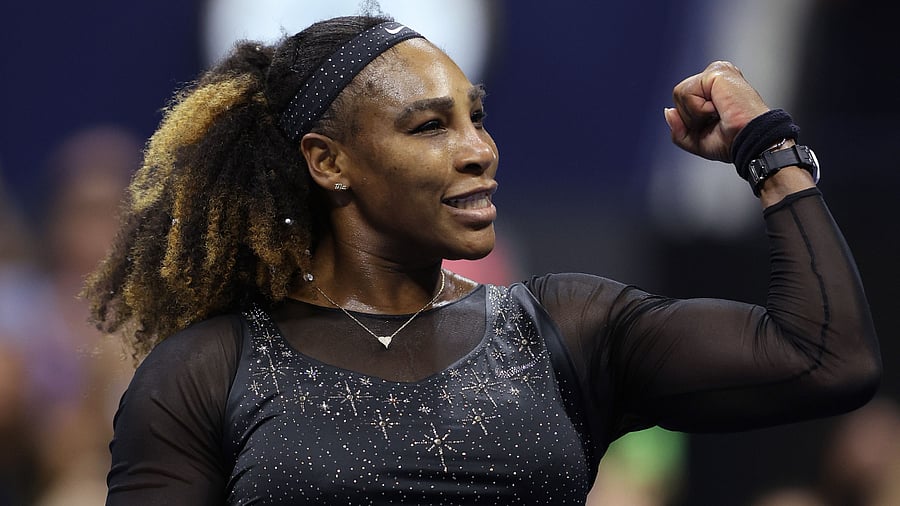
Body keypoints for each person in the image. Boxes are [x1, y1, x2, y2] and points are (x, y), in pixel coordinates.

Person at [84, 14, 881, 505]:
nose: (479, 150)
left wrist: (769, 152)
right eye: (431, 126)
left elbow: (826, 359)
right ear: (328, 161)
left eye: (477, 117)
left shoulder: (566, 328)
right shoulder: (206, 371)